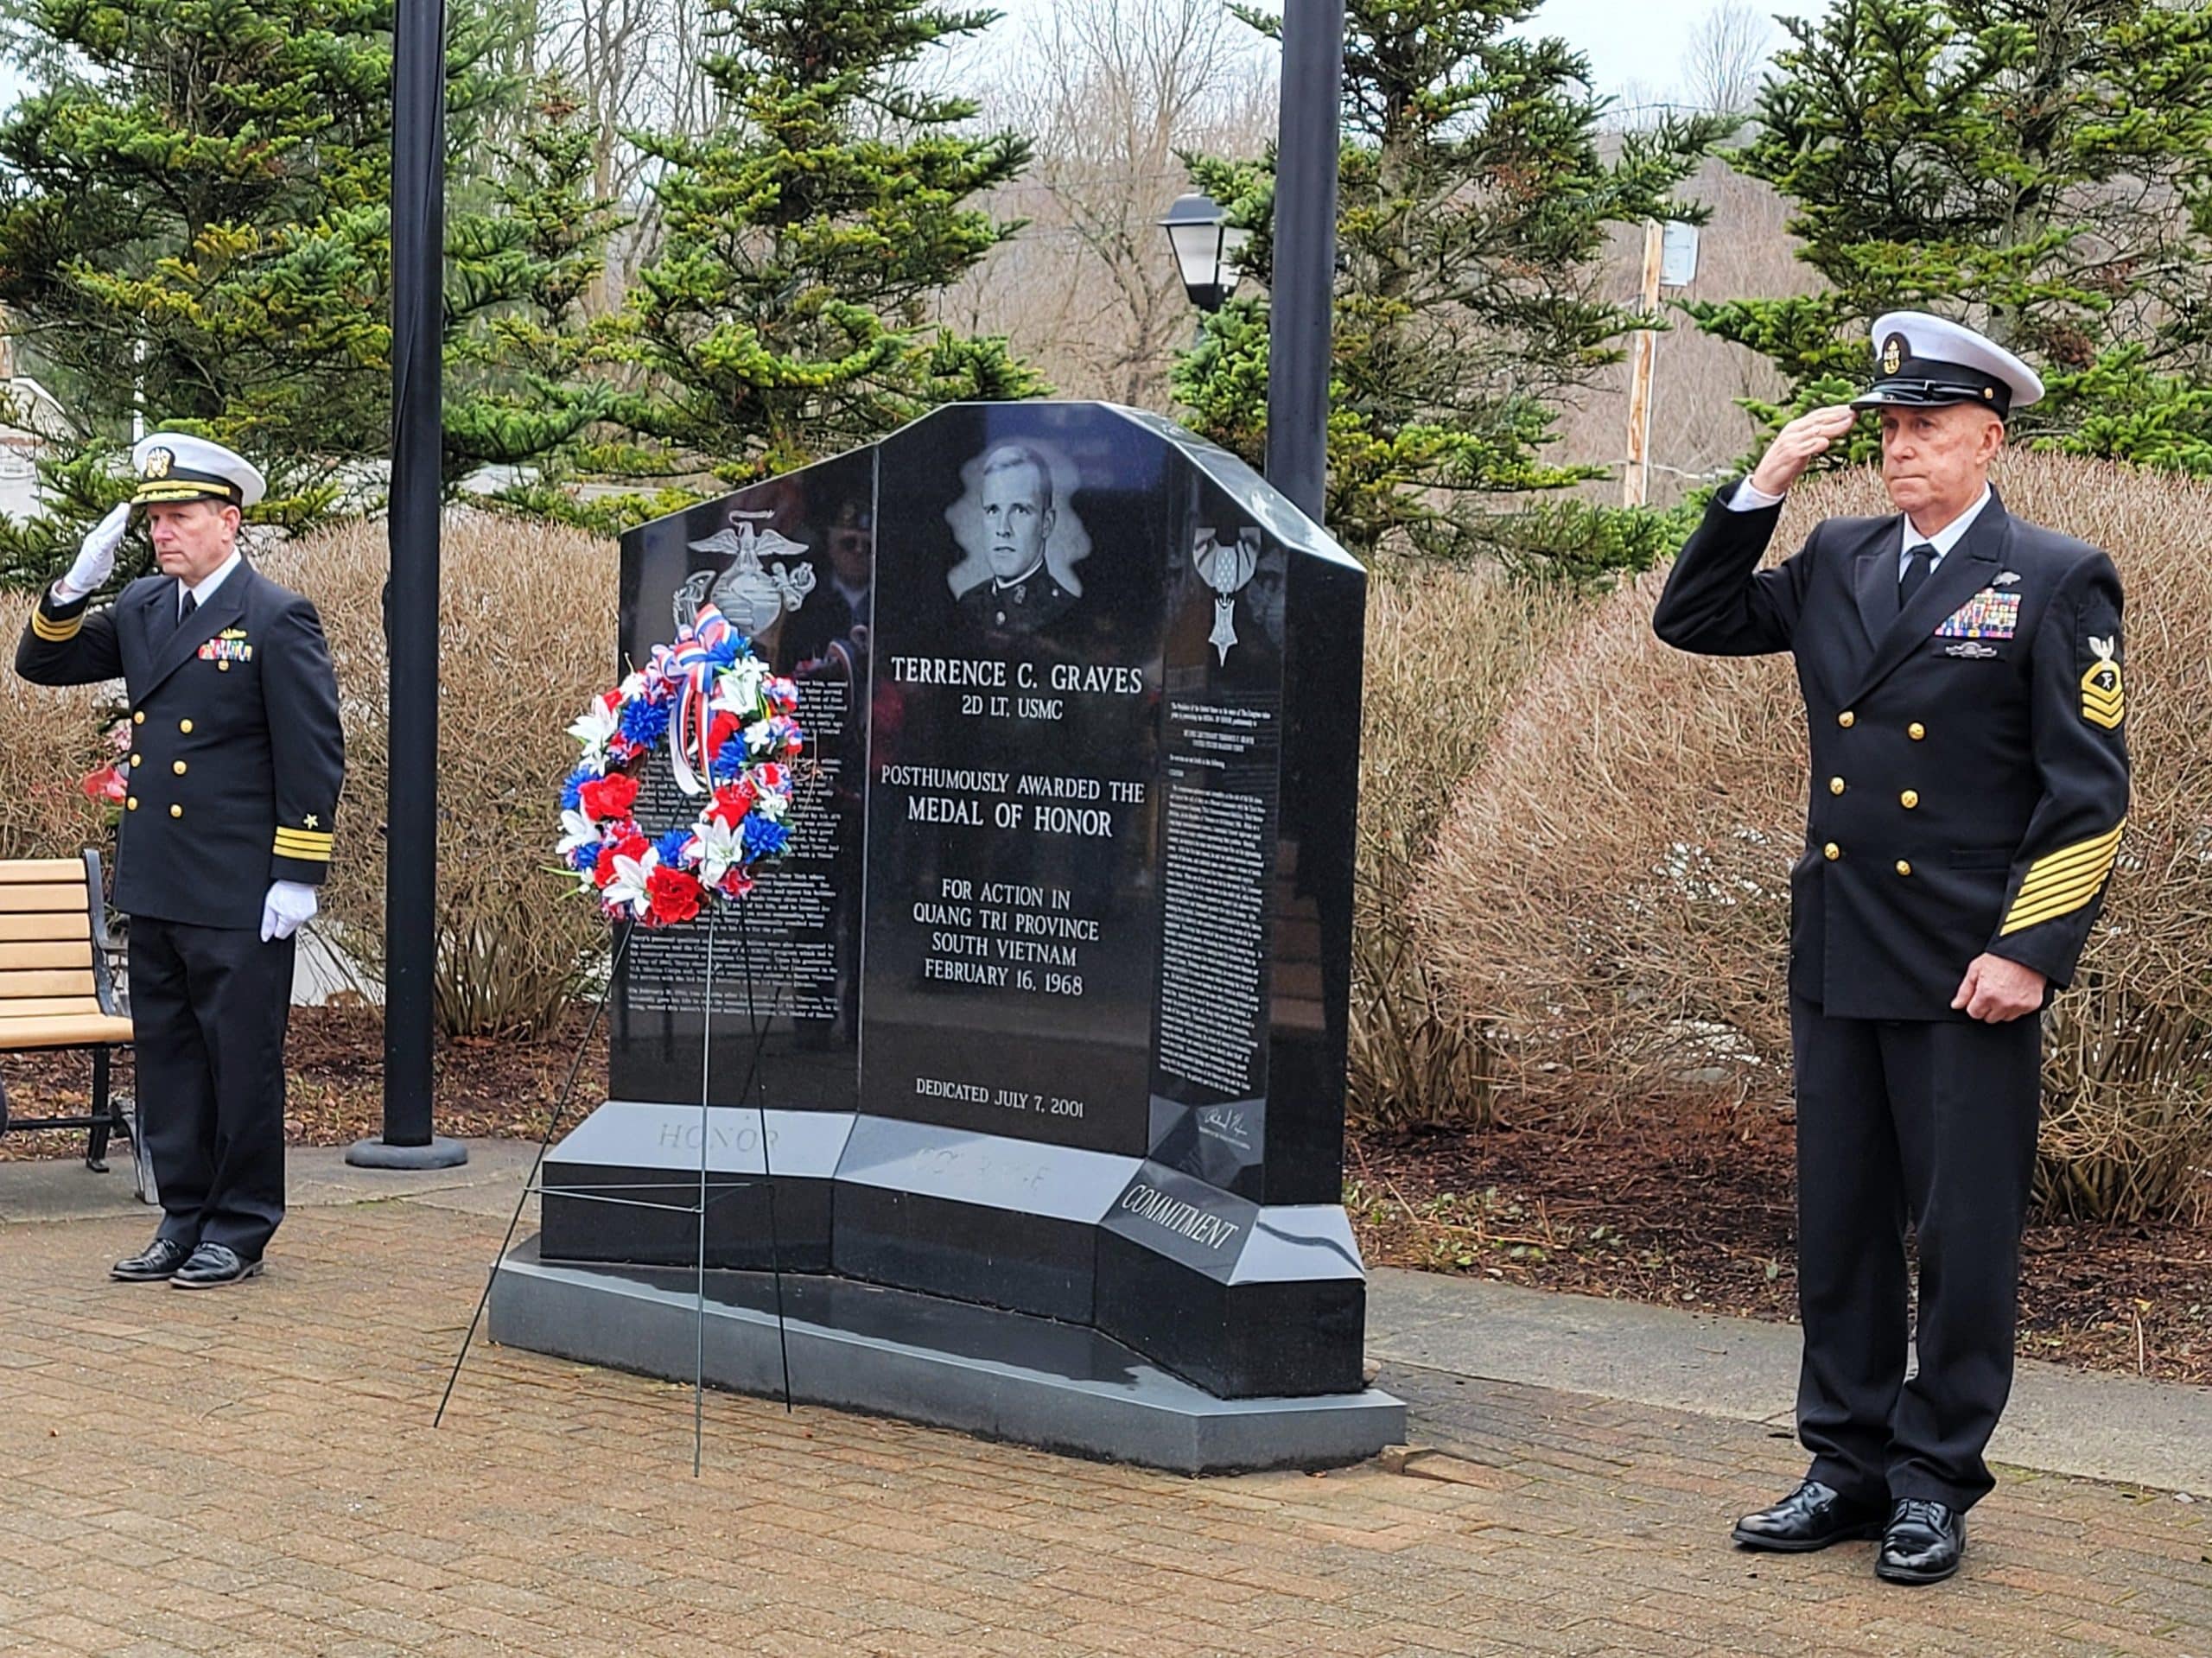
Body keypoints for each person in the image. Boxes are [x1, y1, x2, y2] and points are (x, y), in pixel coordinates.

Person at [1652, 314, 2129, 1585]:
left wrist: (2031, 946)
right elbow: (1692, 617)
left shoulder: (2054, 574)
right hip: (1845, 942)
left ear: (1991, 436)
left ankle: (1934, 1480)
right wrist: (1759, 491)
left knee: (1962, 1235)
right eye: (1890, 429)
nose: (1902, 450)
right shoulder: (1837, 553)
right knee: (1842, 1227)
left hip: (1969, 961)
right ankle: (1844, 1465)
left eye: (1928, 429)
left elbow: (2088, 794)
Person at [16, 434, 344, 1289]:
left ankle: (239, 1226)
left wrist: (298, 871)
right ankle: (183, 1214)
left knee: (239, 1061)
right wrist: (71, 588)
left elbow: (313, 751)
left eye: (181, 516)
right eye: (156, 518)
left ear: (228, 522)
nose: (163, 532)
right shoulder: (142, 607)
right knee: (169, 1059)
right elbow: (41, 661)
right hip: (158, 875)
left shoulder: (276, 616)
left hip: (238, 884)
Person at [957, 443, 1075, 634]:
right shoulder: (969, 603)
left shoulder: (1067, 610)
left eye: (1020, 510)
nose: (1003, 529)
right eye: (993, 510)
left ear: (1047, 523)